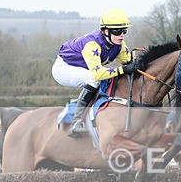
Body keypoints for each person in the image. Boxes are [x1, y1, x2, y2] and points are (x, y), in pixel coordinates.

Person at [52, 8, 142, 138]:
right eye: (117, 31)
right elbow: (98, 74)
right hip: (64, 68)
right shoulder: (92, 45)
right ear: (105, 31)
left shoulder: (118, 44)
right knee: (93, 80)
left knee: (107, 80)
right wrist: (122, 69)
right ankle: (76, 122)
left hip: (83, 68)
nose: (122, 35)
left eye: (124, 31)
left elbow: (128, 61)